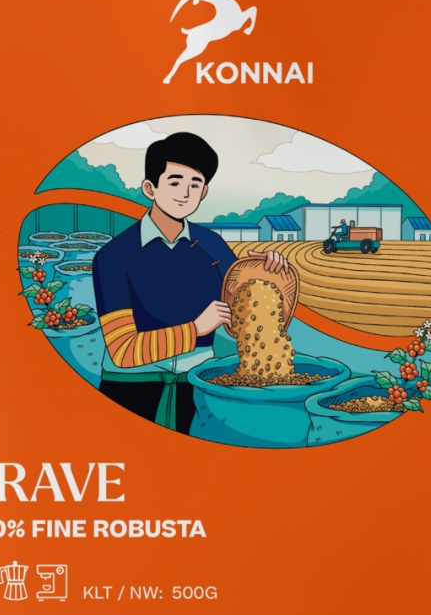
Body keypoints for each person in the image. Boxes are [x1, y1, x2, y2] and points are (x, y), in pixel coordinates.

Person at [92, 130, 290, 432]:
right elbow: (123, 351)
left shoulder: (213, 247)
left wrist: (268, 276)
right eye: (175, 182)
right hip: (130, 390)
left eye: (195, 184)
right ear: (150, 188)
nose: (185, 193)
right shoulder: (113, 257)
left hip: (198, 389)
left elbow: (244, 322)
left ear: (204, 191)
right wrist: (195, 329)